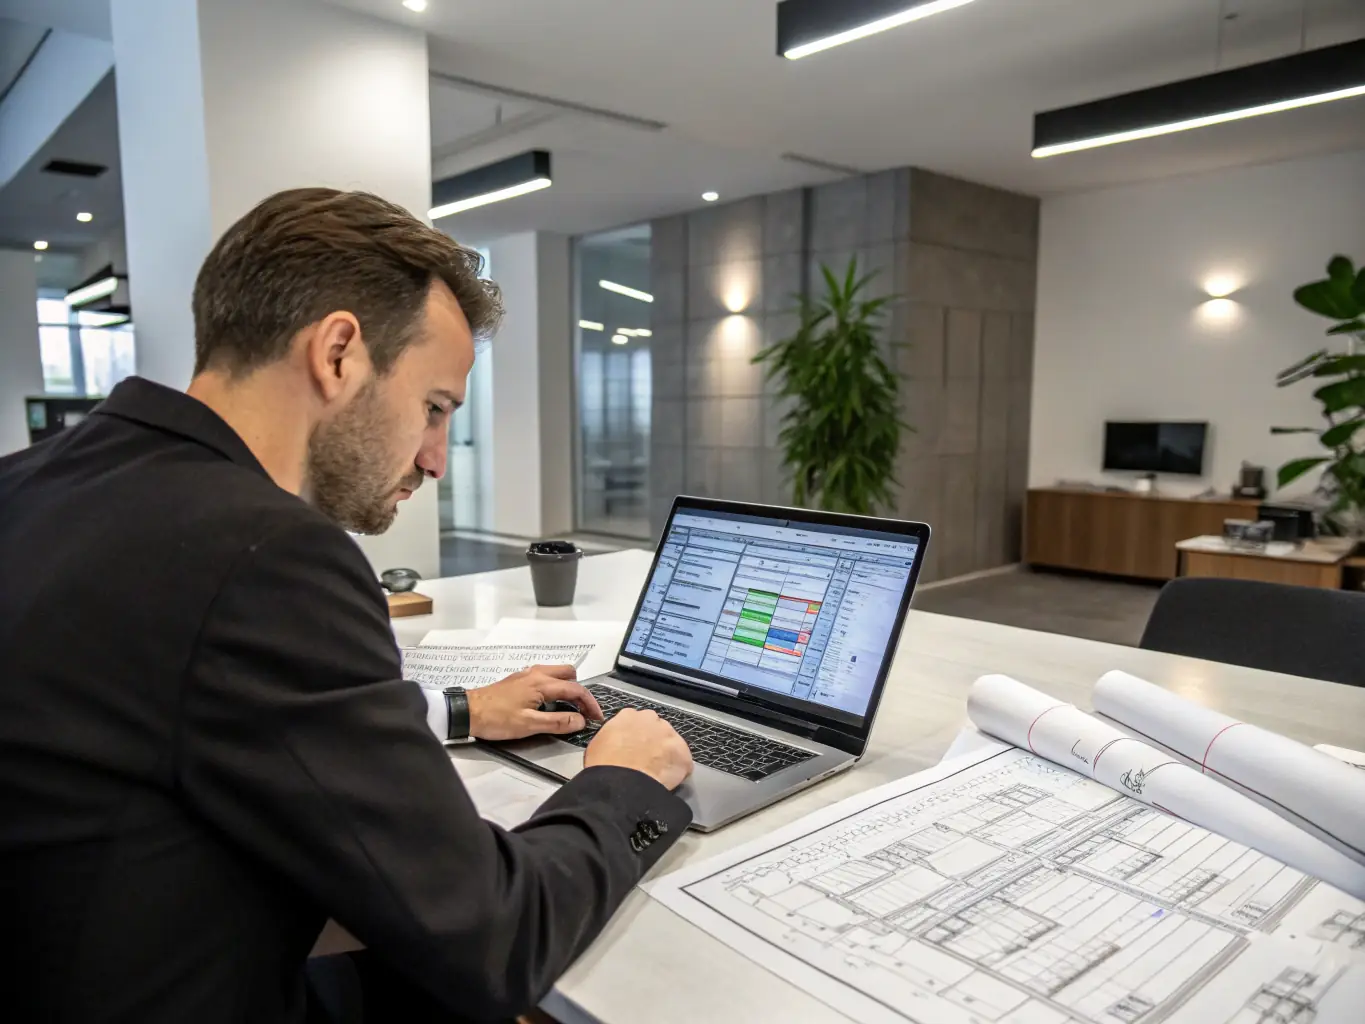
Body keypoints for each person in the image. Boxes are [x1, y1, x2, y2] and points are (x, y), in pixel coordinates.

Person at [0, 188, 694, 1023]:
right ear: (337, 354)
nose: (436, 460)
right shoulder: (264, 554)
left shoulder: (34, 482)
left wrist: (461, 709)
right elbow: (494, 936)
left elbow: (192, 709)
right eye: (433, 408)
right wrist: (621, 781)